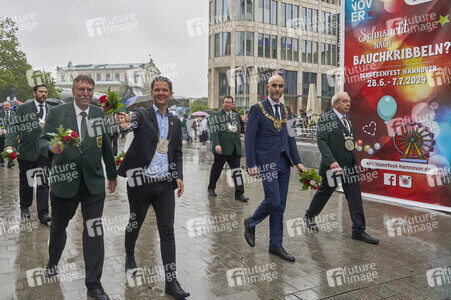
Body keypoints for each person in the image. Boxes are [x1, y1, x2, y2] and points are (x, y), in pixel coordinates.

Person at [37, 75, 117, 300]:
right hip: (64, 182)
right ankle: (53, 261)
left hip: (93, 183)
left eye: (89, 89)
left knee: (94, 231)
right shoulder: (57, 113)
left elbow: (106, 147)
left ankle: (94, 284)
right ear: (73, 91)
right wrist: (51, 148)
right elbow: (41, 141)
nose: (85, 93)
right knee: (59, 227)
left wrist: (111, 174)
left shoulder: (99, 114)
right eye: (81, 89)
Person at [117, 76, 190, 299]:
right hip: (140, 182)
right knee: (135, 223)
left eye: (164, 90)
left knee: (167, 231)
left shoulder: (176, 122)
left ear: (170, 93)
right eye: (157, 90)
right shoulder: (142, 114)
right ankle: (130, 255)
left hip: (165, 184)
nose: (161, 93)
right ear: (152, 93)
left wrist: (178, 176)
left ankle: (171, 281)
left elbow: (176, 152)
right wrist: (126, 122)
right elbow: (132, 123)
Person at [244, 75, 307, 262]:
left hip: (284, 162)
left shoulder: (287, 110)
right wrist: (251, 164)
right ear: (267, 87)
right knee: (272, 199)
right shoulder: (257, 109)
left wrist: (298, 162)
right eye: (274, 86)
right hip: (266, 161)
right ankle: (251, 222)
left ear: (283, 88)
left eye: (280, 86)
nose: (277, 89)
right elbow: (250, 138)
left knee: (280, 206)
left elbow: (290, 138)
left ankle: (276, 245)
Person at [303, 92, 379, 245]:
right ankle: (310, 215)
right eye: (344, 101)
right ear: (335, 104)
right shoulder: (326, 118)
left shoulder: (348, 119)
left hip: (349, 165)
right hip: (334, 166)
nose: (348, 104)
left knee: (355, 197)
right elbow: (321, 141)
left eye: (349, 101)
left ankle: (358, 230)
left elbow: (349, 140)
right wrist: (331, 161)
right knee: (325, 192)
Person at [4, 84, 52, 223]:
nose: (43, 94)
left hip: (43, 153)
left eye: (45, 92)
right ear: (34, 93)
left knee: (43, 182)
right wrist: (8, 145)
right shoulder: (24, 108)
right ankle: (24, 206)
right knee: (27, 182)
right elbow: (13, 127)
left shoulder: (50, 110)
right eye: (41, 91)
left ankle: (43, 213)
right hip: (26, 152)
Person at [208, 96, 248, 202]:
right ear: (223, 104)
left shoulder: (235, 114)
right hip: (222, 148)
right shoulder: (217, 115)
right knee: (217, 169)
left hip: (235, 148)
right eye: (226, 102)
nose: (228, 104)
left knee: (237, 171)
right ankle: (211, 187)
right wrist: (216, 144)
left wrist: (242, 133)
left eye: (230, 103)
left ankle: (239, 193)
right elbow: (214, 130)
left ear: (232, 104)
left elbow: (241, 125)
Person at [0, 101, 15, 168]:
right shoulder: (0, 114)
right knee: (1, 148)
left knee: (11, 148)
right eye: (5, 105)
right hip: (2, 134)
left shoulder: (14, 113)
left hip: (11, 134)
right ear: (3, 107)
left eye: (7, 105)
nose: (6, 106)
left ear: (10, 106)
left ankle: (10, 162)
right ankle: (1, 161)